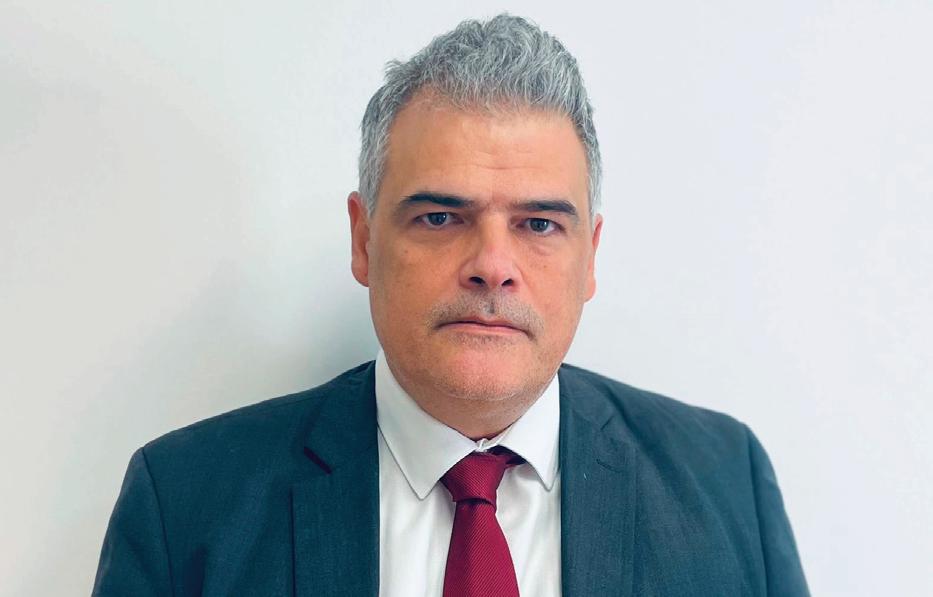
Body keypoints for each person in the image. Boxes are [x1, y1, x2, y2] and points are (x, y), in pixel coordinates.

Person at [93, 14, 809, 597]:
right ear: (364, 241)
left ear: (590, 256)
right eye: (439, 217)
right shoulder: (186, 502)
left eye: (538, 224)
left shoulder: (726, 482)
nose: (492, 266)